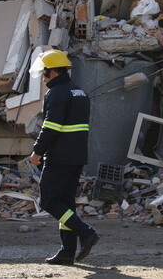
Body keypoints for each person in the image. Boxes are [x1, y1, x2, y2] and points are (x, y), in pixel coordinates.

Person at [29, 49, 99, 266]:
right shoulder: (79, 92)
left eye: (44, 73)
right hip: (77, 156)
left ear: (51, 71)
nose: (43, 77)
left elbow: (50, 128)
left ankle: (86, 232)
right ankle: (67, 252)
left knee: (49, 201)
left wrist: (37, 152)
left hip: (59, 157)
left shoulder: (56, 93)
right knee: (66, 204)